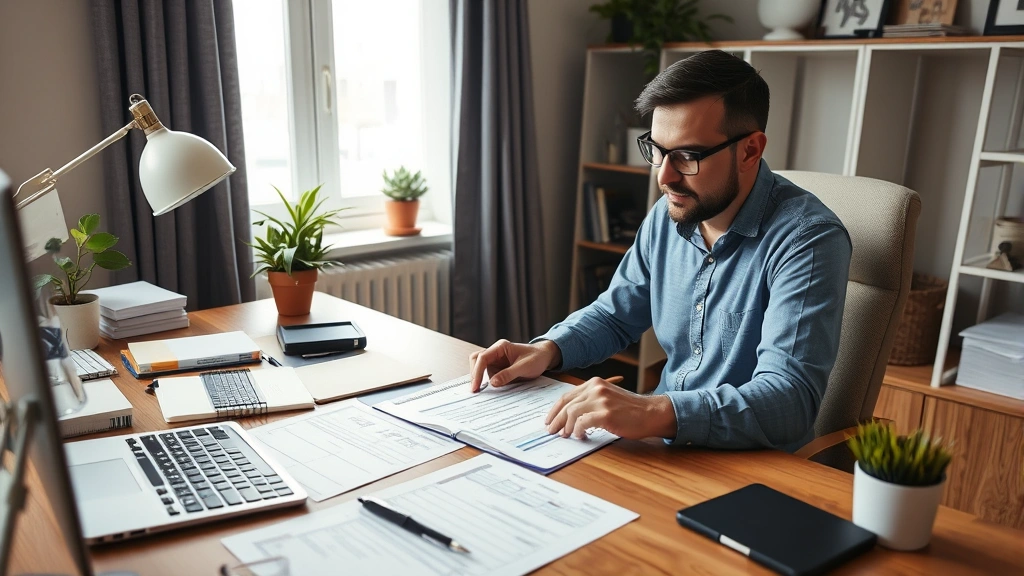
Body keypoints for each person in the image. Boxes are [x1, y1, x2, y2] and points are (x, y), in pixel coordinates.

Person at [468, 50, 852, 452]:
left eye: (687, 156)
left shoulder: (808, 240)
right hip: (663, 446)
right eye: (657, 150)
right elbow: (615, 316)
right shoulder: (668, 214)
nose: (664, 177)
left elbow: (789, 400)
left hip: (750, 469)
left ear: (750, 150)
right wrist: (547, 349)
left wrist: (653, 411)